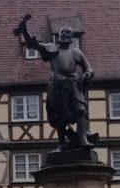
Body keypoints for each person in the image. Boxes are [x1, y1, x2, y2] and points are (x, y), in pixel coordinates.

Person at [13, 15, 97, 150]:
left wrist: (87, 73)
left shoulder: (76, 52)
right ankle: (62, 144)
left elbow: (89, 68)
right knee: (59, 115)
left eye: (67, 33)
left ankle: (83, 138)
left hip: (73, 83)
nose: (64, 34)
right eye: (62, 32)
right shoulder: (52, 48)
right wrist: (24, 28)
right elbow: (32, 44)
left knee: (80, 110)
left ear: (71, 37)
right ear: (59, 35)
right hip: (57, 84)